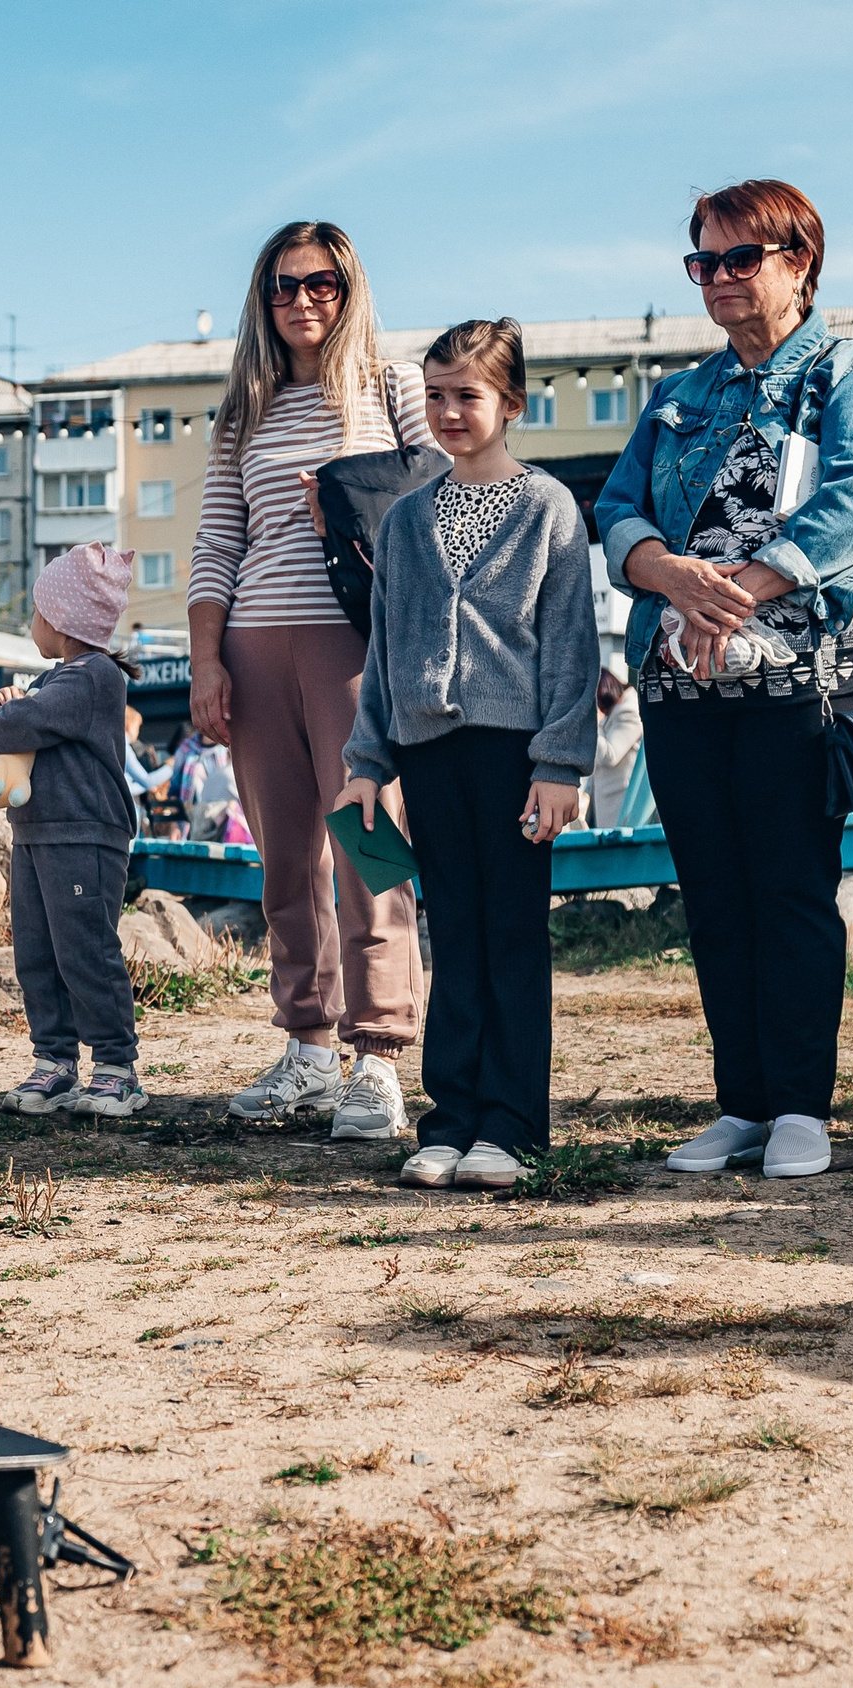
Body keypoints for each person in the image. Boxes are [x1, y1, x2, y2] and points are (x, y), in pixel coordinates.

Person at [593, 179, 853, 1182]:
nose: (719, 279)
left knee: (789, 889)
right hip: (677, 679)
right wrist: (671, 576)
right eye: (703, 262)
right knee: (713, 896)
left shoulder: (850, 373)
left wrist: (732, 588)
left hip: (798, 675)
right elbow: (615, 512)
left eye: (741, 258)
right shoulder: (677, 397)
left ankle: (799, 1108)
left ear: (799, 262)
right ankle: (740, 1105)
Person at [340, 319, 597, 1186]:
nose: (450, 412)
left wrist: (561, 762)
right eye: (436, 395)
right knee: (450, 930)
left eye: (469, 396)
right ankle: (448, 1119)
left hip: (514, 753)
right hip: (425, 752)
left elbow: (571, 644)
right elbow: (382, 647)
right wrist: (366, 761)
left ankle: (512, 1124)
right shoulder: (407, 519)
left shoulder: (549, 508)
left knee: (512, 933)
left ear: (511, 404)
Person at [187, 220, 426, 1141]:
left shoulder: (390, 385)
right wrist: (206, 660)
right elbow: (215, 544)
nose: (301, 301)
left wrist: (346, 497)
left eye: (319, 281)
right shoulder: (240, 412)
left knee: (372, 844)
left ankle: (379, 1055)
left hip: (354, 642)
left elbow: (433, 497)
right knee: (285, 857)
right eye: (282, 287)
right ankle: (310, 1046)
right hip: (252, 638)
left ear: (349, 284)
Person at [0, 544, 147, 1119]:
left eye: (37, 611)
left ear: (62, 620)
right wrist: (6, 708)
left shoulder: (94, 677)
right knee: (38, 952)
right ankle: (55, 1060)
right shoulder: (57, 679)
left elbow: (24, 722)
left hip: (85, 835)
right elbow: (22, 718)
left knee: (86, 951)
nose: (31, 624)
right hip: (39, 833)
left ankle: (117, 1067)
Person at [585, 657, 642, 830]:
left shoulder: (629, 712)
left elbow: (610, 755)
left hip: (619, 802)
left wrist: (594, 722)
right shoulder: (613, 714)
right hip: (603, 801)